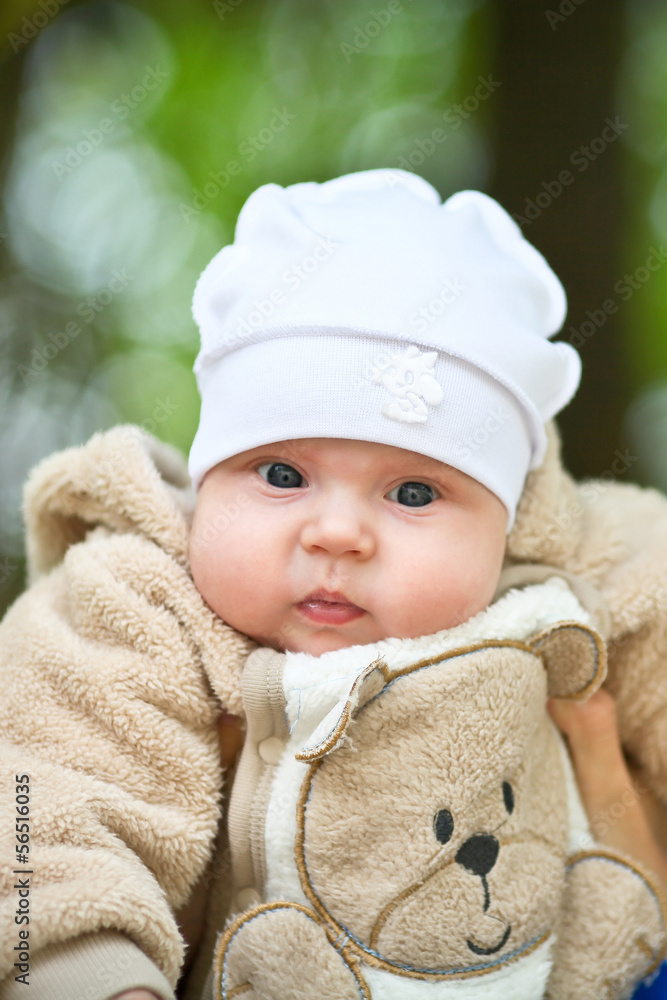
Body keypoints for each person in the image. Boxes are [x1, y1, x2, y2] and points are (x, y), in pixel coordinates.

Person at [1, 169, 667, 1000]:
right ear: (206, 486)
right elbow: (45, 813)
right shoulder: (137, 602)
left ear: (506, 521)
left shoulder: (580, 575)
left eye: (413, 493)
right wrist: (96, 976)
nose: (338, 533)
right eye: (282, 475)